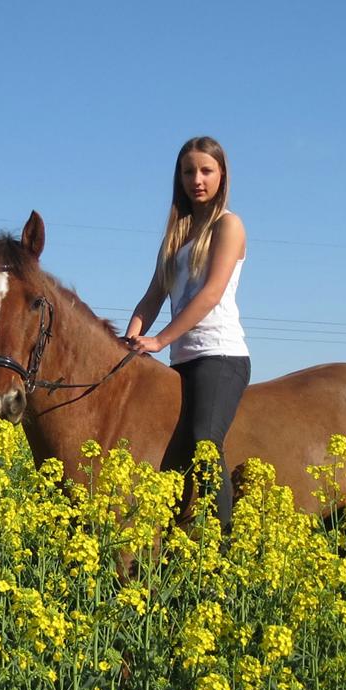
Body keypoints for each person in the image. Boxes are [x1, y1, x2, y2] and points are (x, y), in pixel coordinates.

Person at [123, 136, 250, 531]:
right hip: (183, 360)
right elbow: (152, 297)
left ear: (222, 175)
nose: (197, 179)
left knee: (205, 444)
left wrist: (159, 340)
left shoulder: (229, 225)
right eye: (188, 171)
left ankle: (222, 549)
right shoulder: (177, 236)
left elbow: (211, 293)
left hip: (219, 355)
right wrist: (128, 342)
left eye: (206, 170)